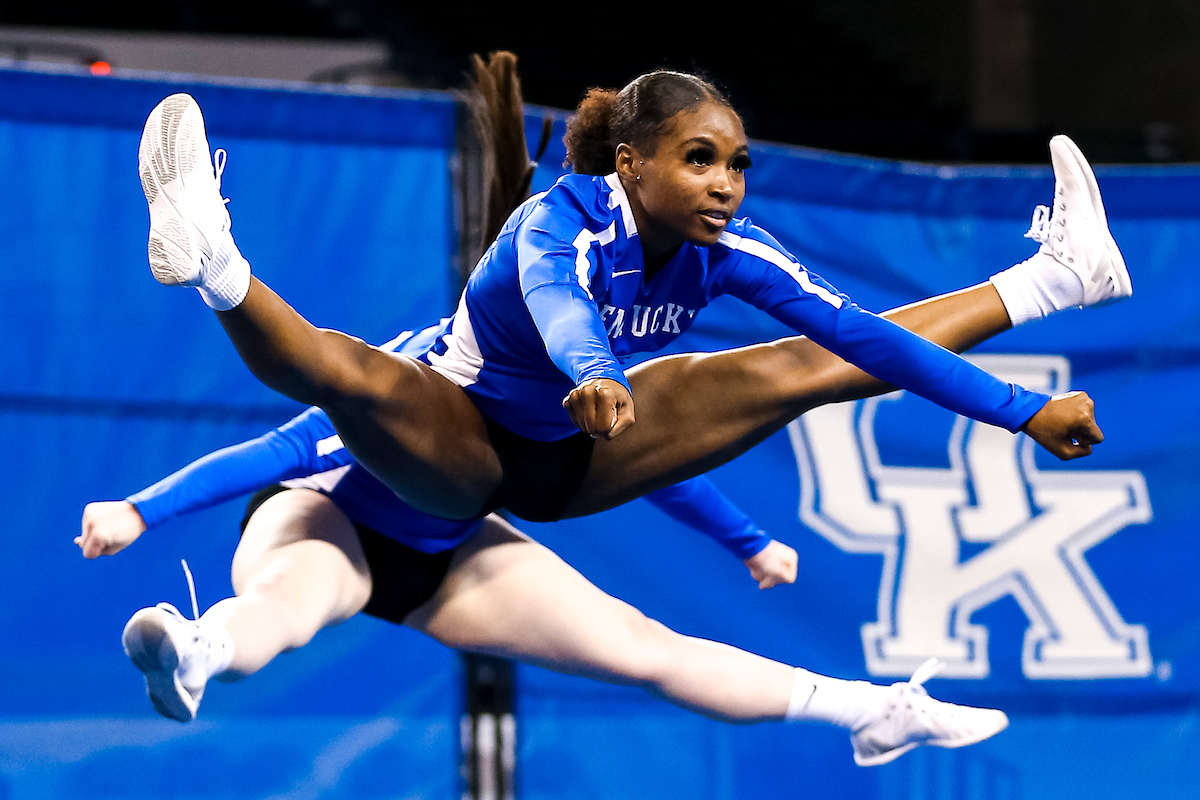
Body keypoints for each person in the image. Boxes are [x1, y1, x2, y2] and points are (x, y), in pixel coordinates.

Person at [133, 74, 1118, 534]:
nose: (725, 183)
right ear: (630, 162)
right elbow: (561, 306)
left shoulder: (731, 249)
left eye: (736, 163)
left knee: (812, 366)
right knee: (351, 372)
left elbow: (863, 335)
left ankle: (1060, 276)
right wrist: (597, 372)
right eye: (699, 160)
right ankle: (215, 259)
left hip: (577, 464)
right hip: (463, 442)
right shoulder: (556, 228)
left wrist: (1022, 410)